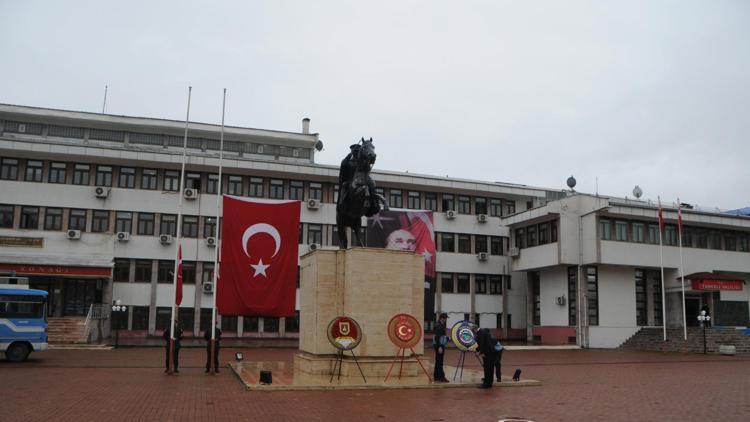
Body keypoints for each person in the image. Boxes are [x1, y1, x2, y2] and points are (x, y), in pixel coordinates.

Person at [432, 312, 449, 383]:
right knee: (440, 361)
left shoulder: (438, 324)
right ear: (442, 318)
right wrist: (439, 347)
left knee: (438, 361)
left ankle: (436, 376)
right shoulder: (439, 325)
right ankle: (441, 377)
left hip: (439, 344)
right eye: (445, 318)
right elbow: (437, 337)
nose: (446, 320)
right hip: (439, 345)